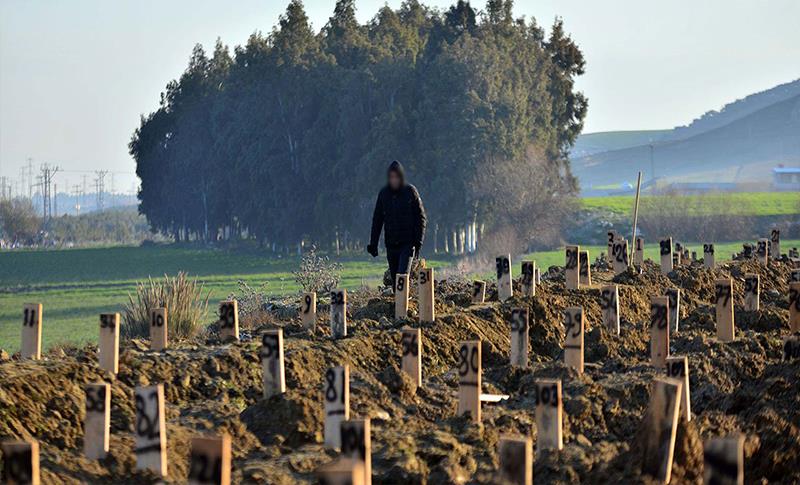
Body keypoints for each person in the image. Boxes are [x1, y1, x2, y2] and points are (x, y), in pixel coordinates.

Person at [367, 161, 427, 290]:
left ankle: (404, 308)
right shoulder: (383, 194)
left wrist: (418, 241)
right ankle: (398, 307)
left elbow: (421, 217)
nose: (394, 180)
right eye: (392, 177)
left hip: (408, 243)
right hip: (391, 244)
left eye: (396, 177)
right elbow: (377, 220)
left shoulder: (410, 191)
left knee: (402, 276)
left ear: (401, 177)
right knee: (395, 282)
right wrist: (373, 244)